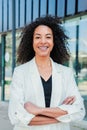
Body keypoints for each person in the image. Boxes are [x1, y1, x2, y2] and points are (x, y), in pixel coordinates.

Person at [8, 15, 85, 130]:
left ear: (54, 42)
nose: (43, 41)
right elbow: (16, 115)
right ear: (32, 41)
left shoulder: (66, 73)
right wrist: (61, 113)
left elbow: (79, 111)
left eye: (48, 37)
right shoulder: (20, 72)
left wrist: (39, 111)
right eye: (38, 37)